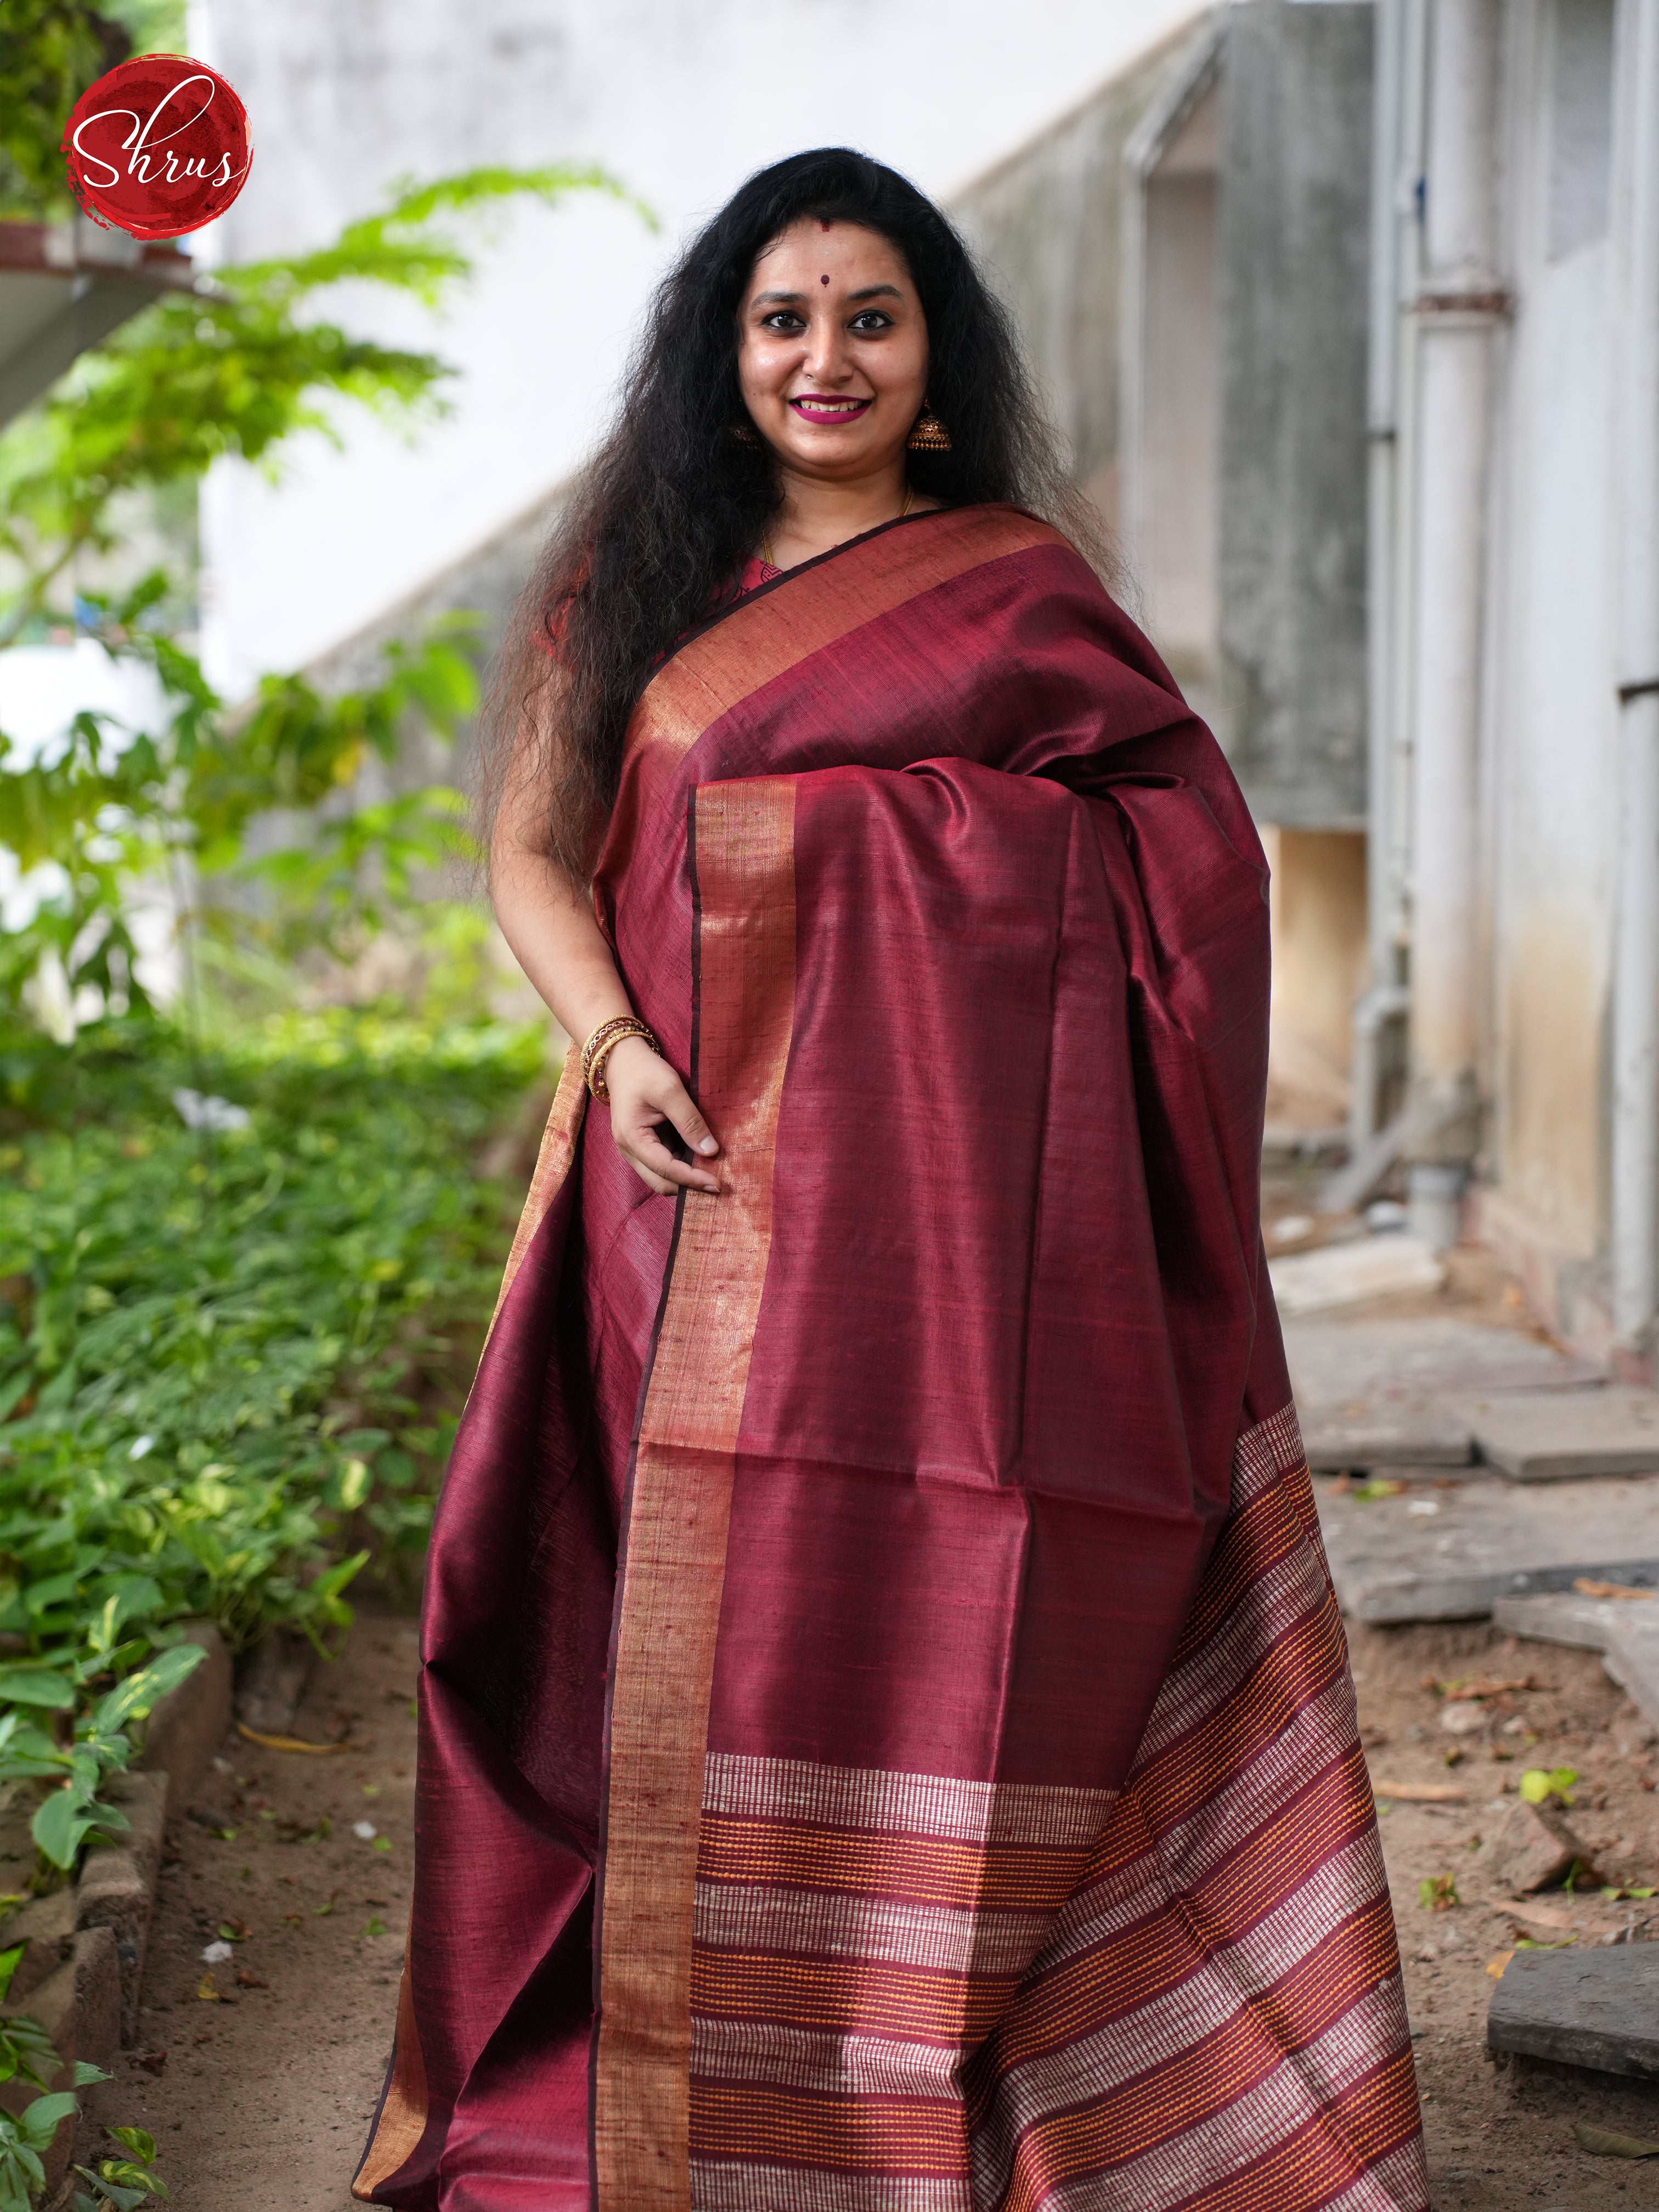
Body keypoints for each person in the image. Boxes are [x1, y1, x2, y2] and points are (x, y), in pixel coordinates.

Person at [354, 148, 1427, 2212]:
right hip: (695, 1189)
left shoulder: (1018, 589)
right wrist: (617, 1046)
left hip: (968, 1247)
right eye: (783, 318)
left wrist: (880, 847)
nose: (823, 357)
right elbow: (529, 851)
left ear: (933, 353)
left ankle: (954, 2048)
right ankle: (701, 2072)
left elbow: (1184, 855)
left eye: (870, 316)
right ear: (723, 353)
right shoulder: (642, 587)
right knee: (702, 1628)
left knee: (966, 1616)